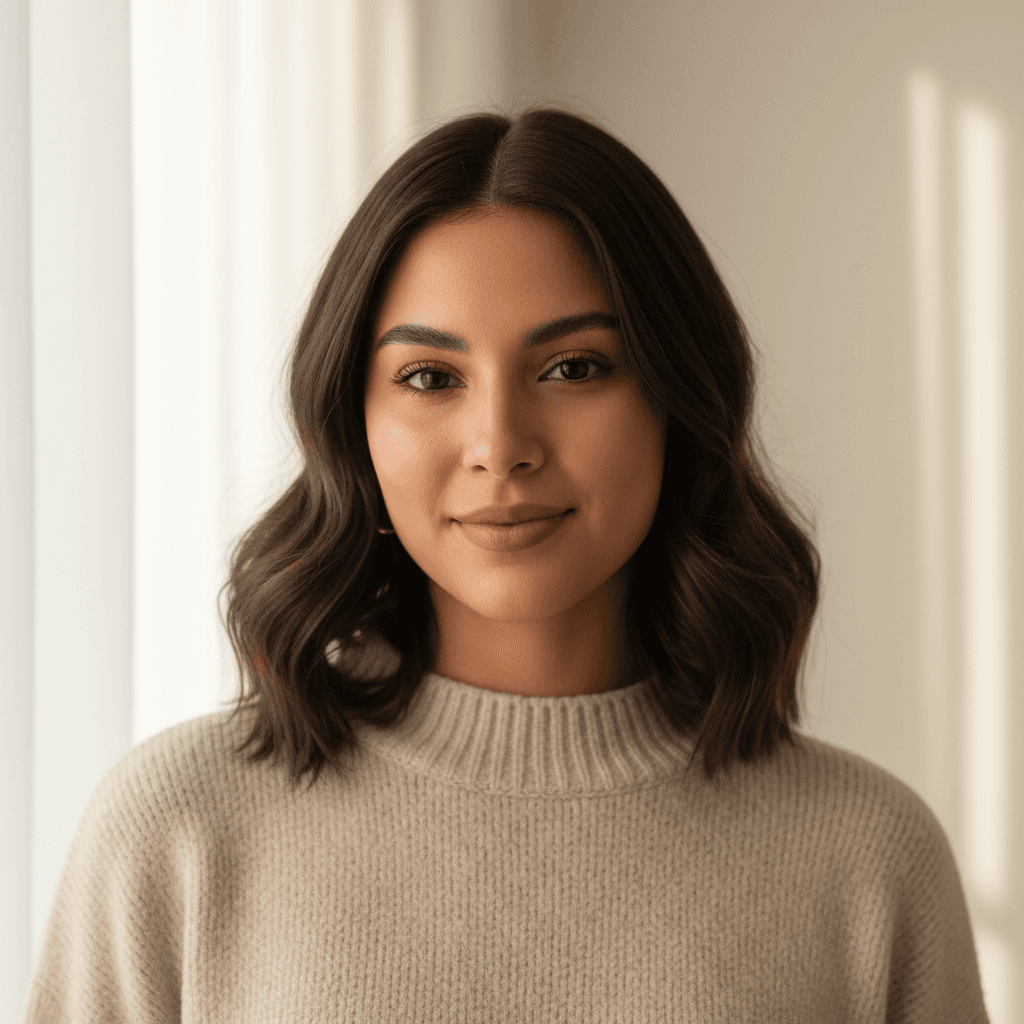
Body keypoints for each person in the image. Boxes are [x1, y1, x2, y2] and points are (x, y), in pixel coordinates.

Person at [22, 103, 990, 1022]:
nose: (500, 445)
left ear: (678, 398)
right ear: (354, 424)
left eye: (574, 368)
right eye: (429, 377)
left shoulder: (870, 860)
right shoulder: (175, 833)